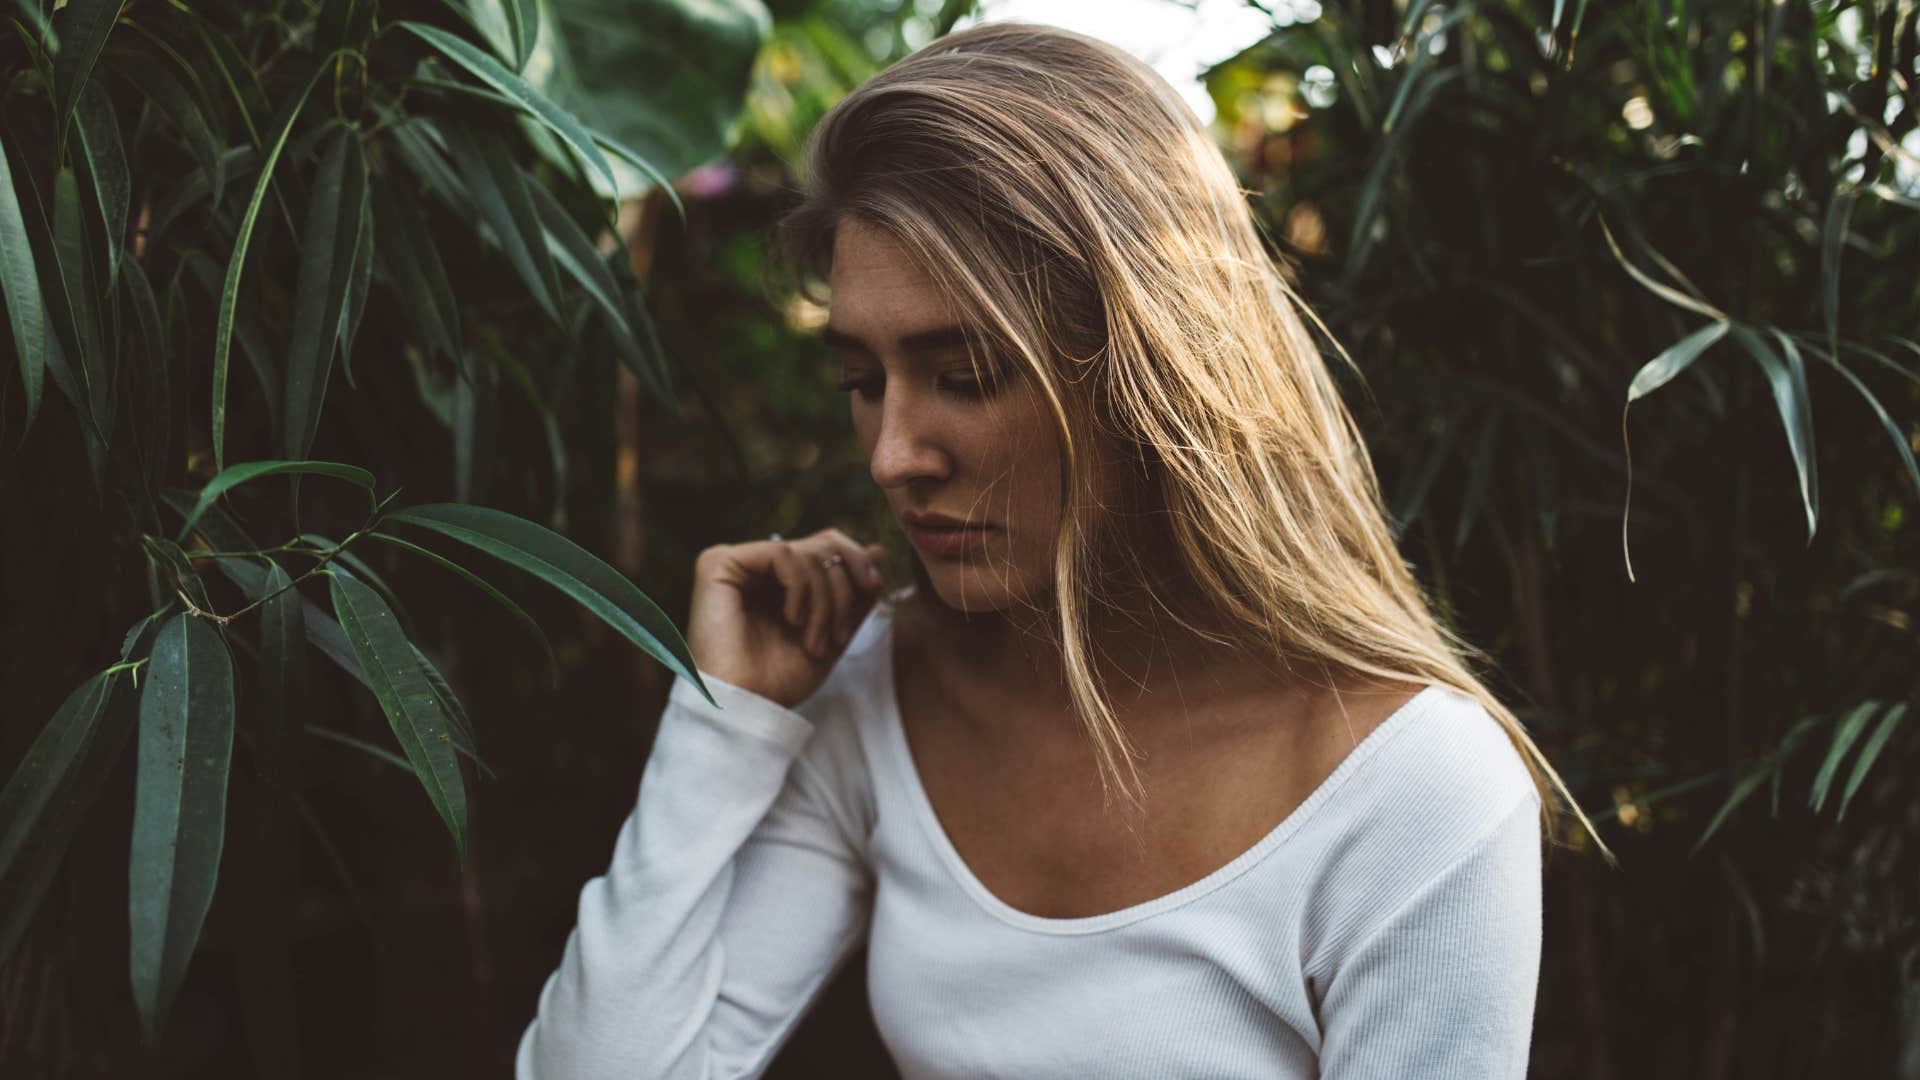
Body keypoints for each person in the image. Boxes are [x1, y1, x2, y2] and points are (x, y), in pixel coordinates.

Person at [516, 20, 1612, 1080]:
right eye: (861, 381)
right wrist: (725, 730)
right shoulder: (884, 695)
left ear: (1147, 374)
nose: (893, 454)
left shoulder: (1409, 788)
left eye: (968, 374)